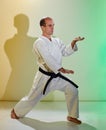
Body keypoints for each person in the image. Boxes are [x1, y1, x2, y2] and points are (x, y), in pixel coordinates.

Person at [11, 17, 84, 124]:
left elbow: (65, 51)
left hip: (57, 76)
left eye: (53, 25)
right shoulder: (39, 42)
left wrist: (73, 42)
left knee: (73, 89)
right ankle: (16, 111)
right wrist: (61, 69)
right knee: (32, 98)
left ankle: (72, 116)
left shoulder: (56, 40)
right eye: (50, 25)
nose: (52, 28)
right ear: (42, 27)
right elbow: (47, 58)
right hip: (44, 78)